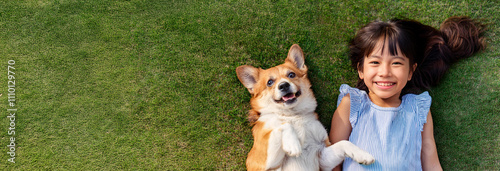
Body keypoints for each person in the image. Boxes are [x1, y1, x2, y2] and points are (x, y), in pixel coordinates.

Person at [329, 16, 486, 170]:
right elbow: (332, 160)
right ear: (361, 70)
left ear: (411, 71)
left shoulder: (418, 109)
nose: (384, 72)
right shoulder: (353, 104)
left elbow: (431, 164)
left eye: (396, 63)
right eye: (375, 62)